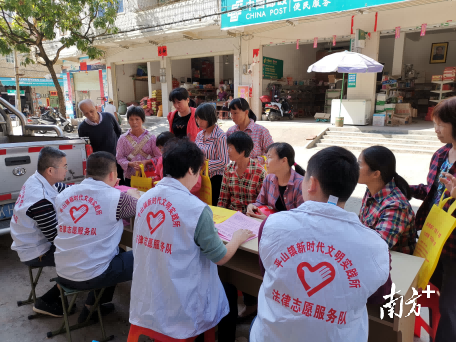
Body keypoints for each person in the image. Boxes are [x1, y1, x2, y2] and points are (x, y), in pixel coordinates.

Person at [250, 146, 391, 342]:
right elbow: (379, 297)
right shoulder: (375, 246)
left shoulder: (272, 225)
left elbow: (267, 273)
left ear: (312, 184)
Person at [129, 138, 254, 342]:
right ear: (190, 170)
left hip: (149, 298)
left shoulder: (145, 198)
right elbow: (220, 257)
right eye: (198, 171)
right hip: (181, 306)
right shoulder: (196, 208)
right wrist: (237, 238)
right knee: (228, 289)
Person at [54, 152, 140, 324]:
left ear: (87, 171)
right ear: (112, 175)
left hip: (62, 271)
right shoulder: (117, 198)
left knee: (116, 251)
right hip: (91, 275)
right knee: (145, 254)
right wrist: (132, 192)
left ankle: (92, 307)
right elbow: (141, 207)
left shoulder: (63, 195)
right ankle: (150, 312)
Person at [410, 97, 456, 342]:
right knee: (428, 295)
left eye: (441, 125)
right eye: (435, 124)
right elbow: (431, 193)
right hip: (433, 242)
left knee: (450, 308)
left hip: (453, 248)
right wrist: (405, 188)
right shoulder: (441, 154)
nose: (436, 130)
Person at [10, 147, 70, 317]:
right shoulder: (40, 199)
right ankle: (45, 300)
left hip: (32, 242)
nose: (67, 169)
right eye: (64, 166)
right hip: (36, 251)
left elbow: (62, 188)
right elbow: (56, 238)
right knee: (85, 257)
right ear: (51, 170)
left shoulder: (38, 179)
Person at [358, 146, 416, 254]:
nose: (354, 168)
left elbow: (379, 245)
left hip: (395, 265)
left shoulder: (396, 205)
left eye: (359, 164)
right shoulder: (371, 191)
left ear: (376, 174)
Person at [247, 142, 305, 220]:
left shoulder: (300, 184)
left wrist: (271, 220)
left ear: (284, 160)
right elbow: (260, 202)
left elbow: (301, 218)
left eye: (269, 157)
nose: (265, 161)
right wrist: (252, 206)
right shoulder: (269, 178)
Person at [77, 99, 125, 184]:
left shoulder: (109, 117)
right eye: (86, 113)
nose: (90, 115)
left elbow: (118, 133)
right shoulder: (83, 128)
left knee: (120, 184)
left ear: (96, 108)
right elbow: (86, 148)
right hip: (101, 165)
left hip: (116, 160)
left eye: (91, 111)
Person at [217, 131, 266, 214]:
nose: (228, 151)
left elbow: (262, 202)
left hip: (251, 216)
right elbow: (223, 199)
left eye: (231, 148)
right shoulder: (228, 169)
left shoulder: (259, 171)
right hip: (231, 215)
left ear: (242, 150)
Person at [116, 106, 161, 187]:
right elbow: (119, 157)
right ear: (128, 121)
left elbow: (159, 157)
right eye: (131, 119)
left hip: (149, 176)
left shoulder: (152, 138)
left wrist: (146, 162)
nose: (134, 122)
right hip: (130, 177)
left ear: (142, 120)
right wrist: (130, 164)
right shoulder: (123, 139)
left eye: (137, 119)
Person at [195, 103, 229, 205]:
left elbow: (224, 162)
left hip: (216, 179)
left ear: (209, 118)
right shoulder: (200, 135)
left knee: (213, 205)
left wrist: (205, 165)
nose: (198, 121)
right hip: (201, 177)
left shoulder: (220, 136)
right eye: (197, 118)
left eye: (201, 119)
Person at [226, 98, 273, 164]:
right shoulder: (230, 132)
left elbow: (272, 154)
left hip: (257, 173)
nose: (232, 117)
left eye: (235, 113)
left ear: (246, 112)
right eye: (231, 113)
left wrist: (255, 161)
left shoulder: (261, 131)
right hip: (236, 172)